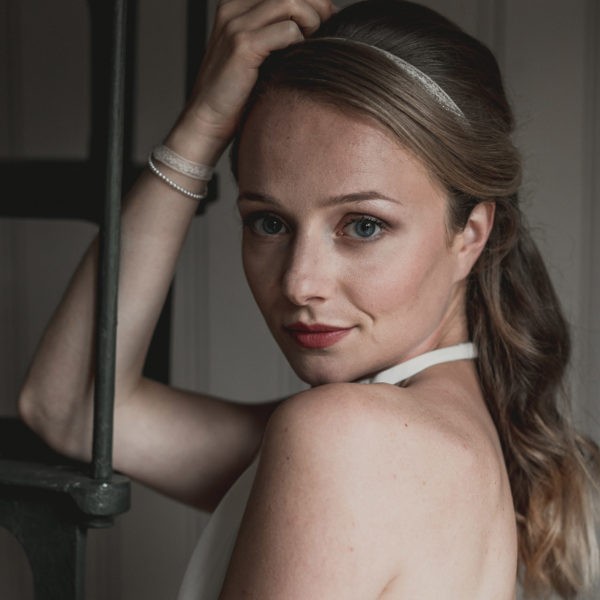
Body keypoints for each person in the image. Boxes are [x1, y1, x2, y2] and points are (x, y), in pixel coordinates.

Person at [18, 0, 600, 598]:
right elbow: (71, 407)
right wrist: (202, 127)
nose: (300, 283)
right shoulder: (458, 437)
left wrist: (200, 129)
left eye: (364, 226)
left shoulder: (348, 440)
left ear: (469, 235)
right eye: (268, 223)